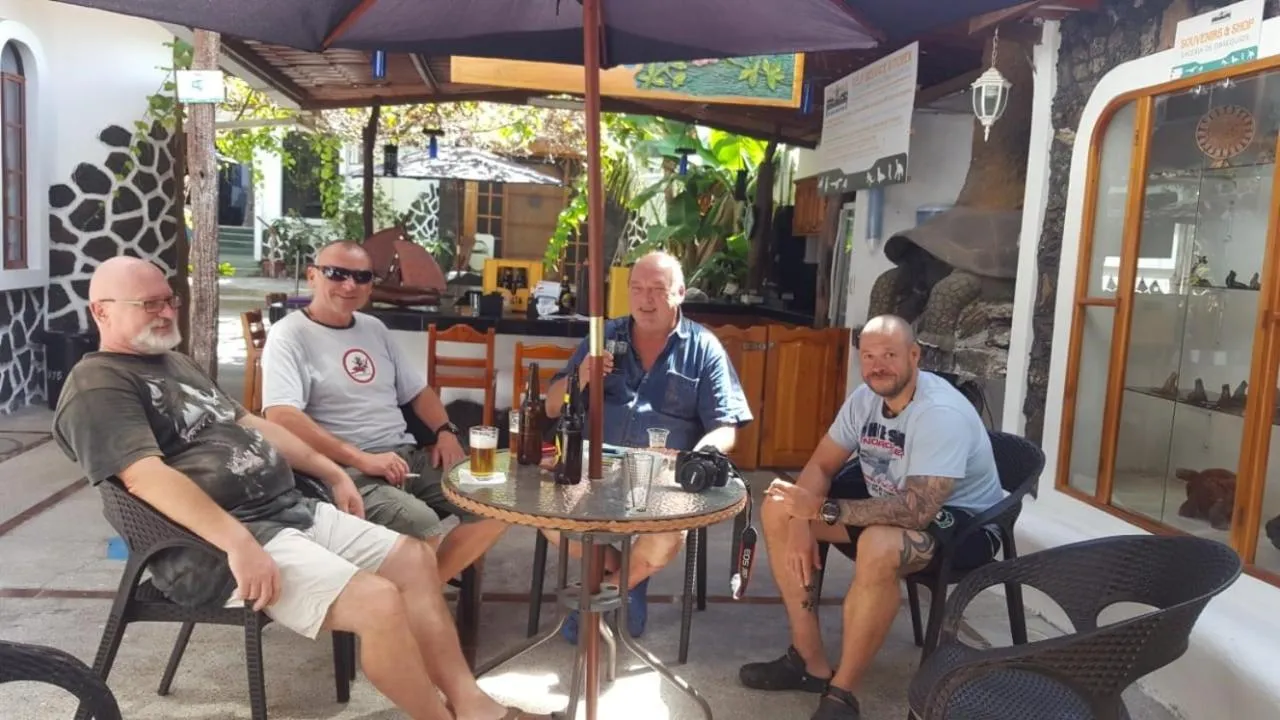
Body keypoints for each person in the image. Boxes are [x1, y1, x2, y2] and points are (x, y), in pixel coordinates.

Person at [52, 256, 545, 720]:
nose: (164, 312)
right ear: (101, 311)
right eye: (149, 304)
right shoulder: (98, 384)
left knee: (415, 559)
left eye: (169, 300)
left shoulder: (175, 364)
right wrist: (237, 542)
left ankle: (470, 703)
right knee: (379, 603)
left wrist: (332, 473)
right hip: (216, 545)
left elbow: (254, 424)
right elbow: (144, 476)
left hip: (287, 510)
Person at [738, 314, 1005, 720]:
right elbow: (822, 466)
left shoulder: (940, 413)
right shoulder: (865, 398)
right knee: (778, 506)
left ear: (915, 356)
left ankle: (842, 695)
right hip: (887, 504)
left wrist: (822, 511)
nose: (878, 366)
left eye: (890, 355)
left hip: (963, 523)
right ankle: (809, 662)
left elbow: (918, 509)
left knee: (879, 544)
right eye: (869, 356)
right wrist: (798, 522)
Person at [261, 241, 508, 584]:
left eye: (361, 276)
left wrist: (445, 431)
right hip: (343, 471)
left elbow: (418, 392)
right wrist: (361, 459)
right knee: (422, 525)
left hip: (407, 458)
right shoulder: (290, 334)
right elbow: (281, 416)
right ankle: (416, 606)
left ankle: (419, 598)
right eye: (337, 273)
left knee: (497, 503)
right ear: (313, 275)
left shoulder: (373, 328)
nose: (350, 285)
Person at [542, 251, 753, 641]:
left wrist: (698, 454)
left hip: (661, 480)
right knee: (550, 521)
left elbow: (726, 427)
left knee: (664, 540)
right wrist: (582, 375)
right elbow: (552, 404)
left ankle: (604, 595)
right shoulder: (602, 335)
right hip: (594, 469)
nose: (646, 299)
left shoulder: (703, 347)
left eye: (658, 290)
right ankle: (628, 582)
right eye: (637, 289)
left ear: (680, 293)